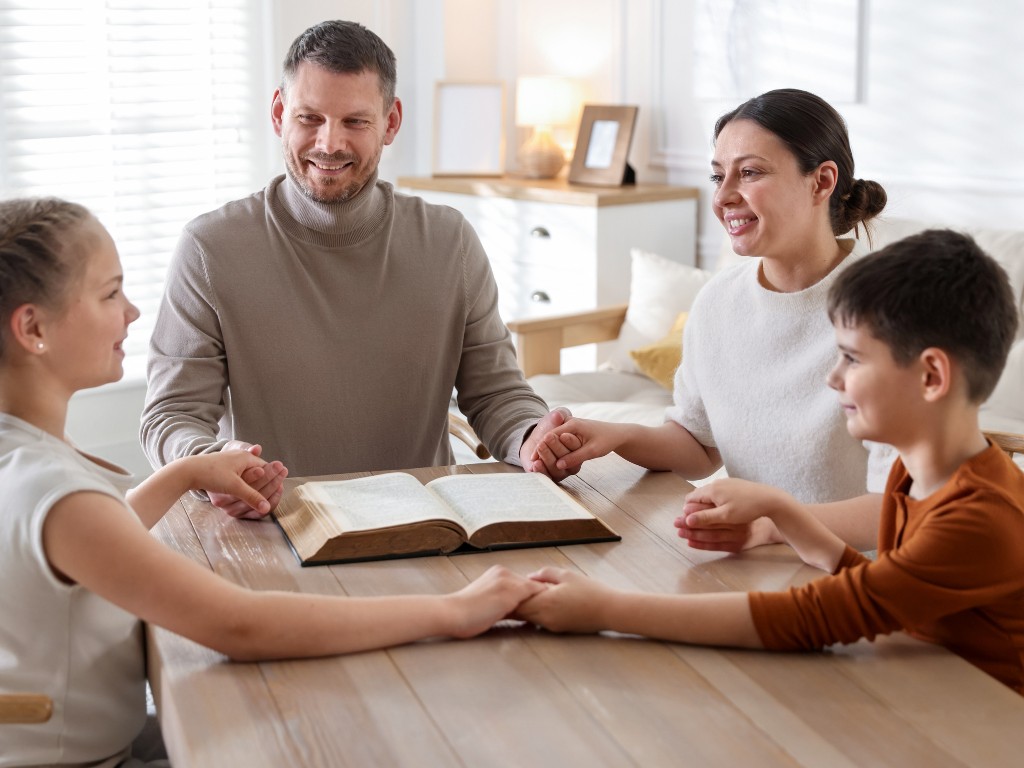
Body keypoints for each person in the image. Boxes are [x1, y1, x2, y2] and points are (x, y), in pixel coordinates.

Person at [0, 197, 543, 767]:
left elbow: (100, 535)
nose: (132, 312)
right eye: (111, 294)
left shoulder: (25, 459)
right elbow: (239, 625)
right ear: (33, 328)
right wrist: (453, 610)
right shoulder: (60, 495)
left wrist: (188, 470)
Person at [518, 229, 1024, 693]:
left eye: (852, 359)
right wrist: (778, 510)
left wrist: (606, 608)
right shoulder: (915, 476)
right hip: (938, 693)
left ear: (932, 377)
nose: (833, 378)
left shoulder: (978, 518)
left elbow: (812, 617)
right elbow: (883, 590)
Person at [141, 20, 571, 520]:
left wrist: (532, 437)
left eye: (355, 122)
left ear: (390, 123)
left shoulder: (449, 241)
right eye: (309, 118)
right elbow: (171, 416)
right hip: (273, 527)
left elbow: (497, 394)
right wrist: (209, 463)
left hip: (429, 527)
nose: (329, 143)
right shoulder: (209, 248)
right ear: (279, 114)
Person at [534, 88, 891, 552]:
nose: (723, 197)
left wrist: (771, 525)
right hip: (751, 559)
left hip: (857, 570)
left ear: (821, 182)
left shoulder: (890, 309)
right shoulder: (719, 302)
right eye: (719, 176)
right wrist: (614, 435)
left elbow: (903, 506)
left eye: (750, 172)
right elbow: (698, 446)